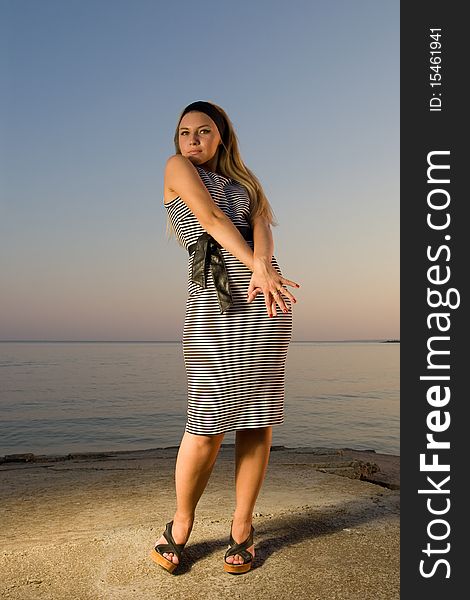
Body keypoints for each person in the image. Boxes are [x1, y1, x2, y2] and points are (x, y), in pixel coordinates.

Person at [150, 100, 300, 575]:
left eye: (203, 132)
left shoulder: (247, 183)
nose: (192, 141)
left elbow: (263, 229)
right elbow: (212, 220)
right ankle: (180, 524)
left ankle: (242, 528)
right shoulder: (177, 169)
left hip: (264, 298)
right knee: (206, 426)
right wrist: (256, 263)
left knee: (256, 422)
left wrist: (263, 265)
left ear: (222, 138)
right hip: (215, 299)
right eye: (184, 133)